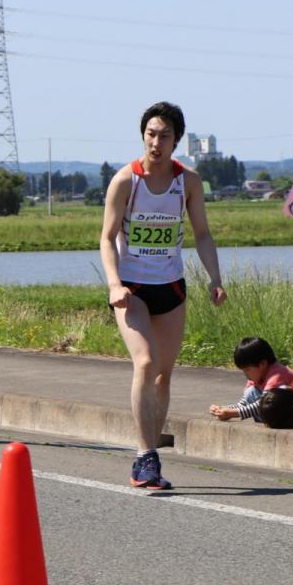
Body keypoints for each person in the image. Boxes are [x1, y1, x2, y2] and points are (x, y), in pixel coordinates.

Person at [100, 101, 227, 489]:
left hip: (171, 287)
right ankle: (144, 456)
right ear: (143, 135)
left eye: (165, 136)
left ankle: (150, 450)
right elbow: (106, 238)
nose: (156, 142)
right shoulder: (126, 180)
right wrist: (114, 284)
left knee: (164, 375)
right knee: (145, 363)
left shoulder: (187, 182)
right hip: (132, 288)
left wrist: (215, 278)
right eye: (151, 134)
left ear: (176, 141)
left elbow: (202, 234)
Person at [209, 337, 293, 432]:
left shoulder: (277, 376)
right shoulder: (257, 377)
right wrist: (224, 409)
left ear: (262, 364)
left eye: (247, 370)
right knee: (251, 392)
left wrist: (233, 414)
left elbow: (262, 404)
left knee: (266, 402)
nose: (245, 374)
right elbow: (244, 402)